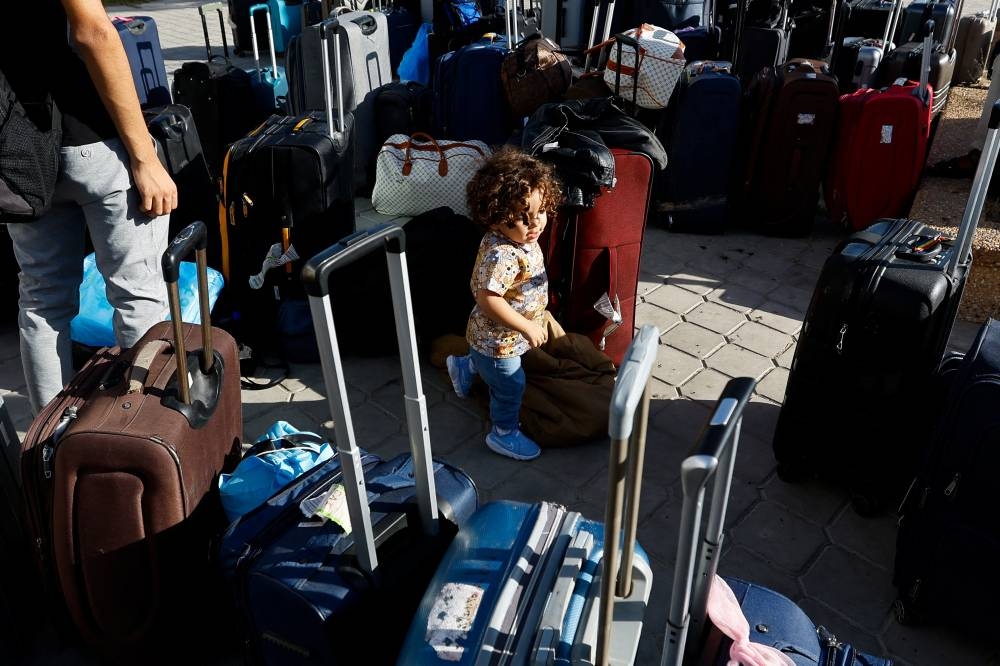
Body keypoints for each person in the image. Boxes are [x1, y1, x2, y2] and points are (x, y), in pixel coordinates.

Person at [1, 0, 177, 414]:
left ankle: (50, 449)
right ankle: (141, 436)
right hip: (92, 139)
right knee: (138, 295)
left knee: (42, 299)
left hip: (18, 150)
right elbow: (92, 32)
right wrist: (145, 156)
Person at [446, 146, 563, 461]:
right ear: (494, 217)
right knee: (511, 386)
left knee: (486, 365)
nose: (535, 224)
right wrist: (525, 325)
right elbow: (487, 298)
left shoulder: (517, 240)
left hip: (495, 338)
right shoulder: (504, 253)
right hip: (498, 343)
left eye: (540, 212)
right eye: (520, 220)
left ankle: (463, 366)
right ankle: (503, 434)